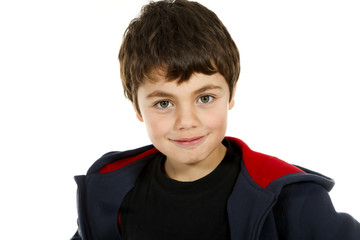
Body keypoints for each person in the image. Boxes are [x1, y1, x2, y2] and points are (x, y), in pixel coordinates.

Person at [71, 0, 360, 239]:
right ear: (137, 107)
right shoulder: (108, 193)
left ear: (230, 94)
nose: (186, 121)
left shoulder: (289, 197)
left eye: (205, 98)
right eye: (163, 103)